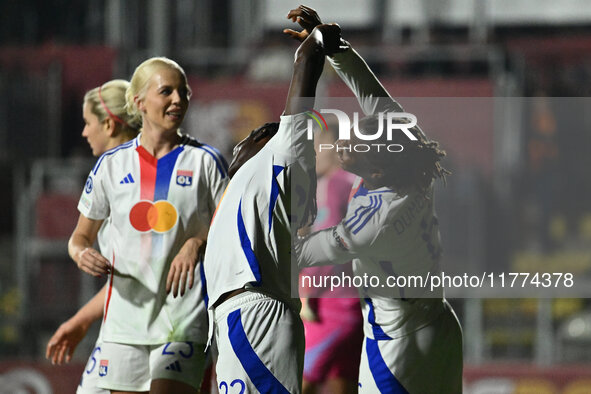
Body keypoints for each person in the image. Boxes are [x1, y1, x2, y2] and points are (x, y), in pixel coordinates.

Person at [291, 6, 464, 393]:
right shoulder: (410, 159)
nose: (347, 139)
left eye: (356, 145)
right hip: (440, 325)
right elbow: (373, 94)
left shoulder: (372, 221)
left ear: (377, 172)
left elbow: (300, 254)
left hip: (396, 345)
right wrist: (336, 48)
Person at [69, 57, 228, 393]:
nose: (178, 100)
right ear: (139, 102)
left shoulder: (206, 161)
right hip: (125, 324)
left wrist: (195, 243)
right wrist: (81, 253)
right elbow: (80, 236)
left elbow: (232, 230)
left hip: (183, 320)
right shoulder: (110, 166)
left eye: (183, 93)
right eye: (166, 92)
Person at [202, 23, 347, 393]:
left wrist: (317, 39)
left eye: (254, 135)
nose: (242, 142)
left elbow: (304, 69)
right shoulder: (238, 192)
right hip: (236, 317)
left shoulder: (281, 155)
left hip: (255, 314)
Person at [46, 79, 140, 394]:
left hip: (147, 329)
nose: (84, 132)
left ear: (110, 125)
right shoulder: (105, 171)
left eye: (88, 123)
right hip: (121, 319)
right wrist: (79, 251)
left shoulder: (149, 174)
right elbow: (78, 238)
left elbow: (141, 274)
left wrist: (81, 319)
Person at [300, 125, 363, 394]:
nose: (311, 154)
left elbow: (329, 247)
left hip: (329, 306)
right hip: (357, 303)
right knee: (343, 384)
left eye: (315, 147)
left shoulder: (333, 185)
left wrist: (304, 293)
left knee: (297, 382)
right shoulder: (358, 183)